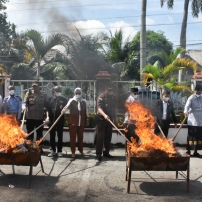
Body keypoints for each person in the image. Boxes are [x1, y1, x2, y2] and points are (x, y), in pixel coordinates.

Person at [62, 87, 88, 158]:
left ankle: (81, 150)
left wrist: (87, 119)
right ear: (74, 93)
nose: (77, 94)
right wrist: (63, 110)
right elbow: (66, 107)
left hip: (81, 122)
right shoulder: (71, 100)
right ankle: (73, 152)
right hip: (73, 122)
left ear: (81, 93)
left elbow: (86, 111)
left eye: (79, 93)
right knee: (72, 138)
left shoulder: (84, 101)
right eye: (76, 93)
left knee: (80, 137)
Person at [96, 84, 117, 161]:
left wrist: (115, 119)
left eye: (111, 90)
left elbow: (114, 108)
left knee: (108, 136)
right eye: (109, 90)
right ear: (106, 90)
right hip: (101, 119)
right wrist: (104, 115)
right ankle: (98, 153)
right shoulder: (101, 97)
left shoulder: (113, 97)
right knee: (100, 137)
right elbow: (99, 109)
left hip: (110, 120)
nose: (110, 92)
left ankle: (106, 152)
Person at [46, 86, 67, 157]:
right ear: (53, 91)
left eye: (59, 90)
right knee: (52, 136)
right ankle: (52, 150)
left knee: (60, 136)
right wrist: (47, 117)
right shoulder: (50, 99)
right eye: (56, 90)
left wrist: (65, 110)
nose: (58, 91)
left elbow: (66, 108)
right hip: (51, 120)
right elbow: (47, 109)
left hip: (60, 120)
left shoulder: (64, 99)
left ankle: (60, 151)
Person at [184, 85, 202, 157]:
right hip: (192, 120)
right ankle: (188, 151)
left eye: (200, 91)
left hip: (200, 121)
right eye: (198, 91)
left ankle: (195, 152)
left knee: (199, 137)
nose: (199, 92)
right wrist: (186, 111)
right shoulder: (191, 98)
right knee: (191, 136)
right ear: (195, 90)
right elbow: (187, 106)